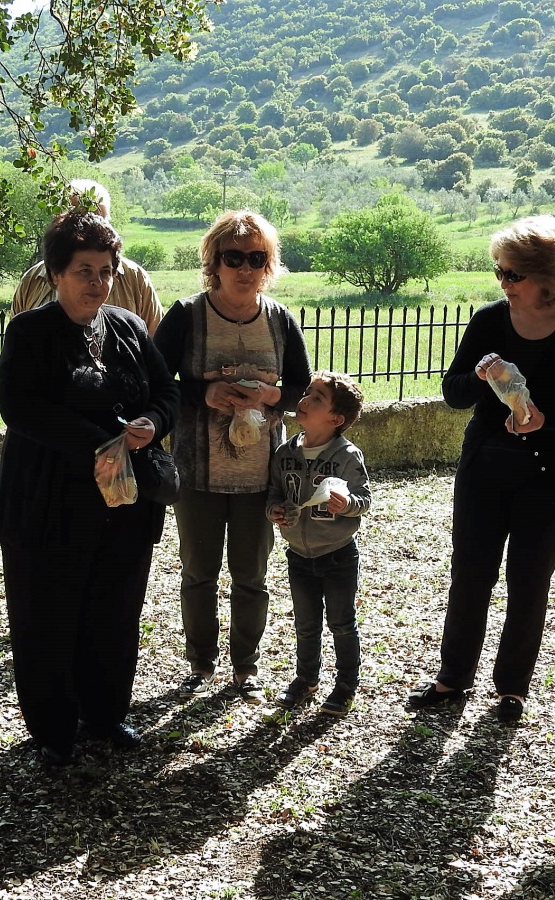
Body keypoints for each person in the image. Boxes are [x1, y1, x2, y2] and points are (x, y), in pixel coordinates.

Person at [408, 215, 555, 723]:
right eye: (498, 272)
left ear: (548, 275)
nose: (503, 283)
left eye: (513, 274)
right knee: (471, 574)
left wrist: (547, 417)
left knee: (529, 580)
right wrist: (483, 379)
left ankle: (512, 688)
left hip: (551, 472)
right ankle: (452, 679)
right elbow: (453, 392)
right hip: (486, 465)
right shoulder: (489, 321)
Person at [0, 210, 178, 765]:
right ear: (56, 274)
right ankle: (52, 731)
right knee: (47, 616)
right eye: (84, 271)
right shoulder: (30, 333)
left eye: (105, 271)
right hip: (48, 503)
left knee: (114, 611)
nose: (97, 283)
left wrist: (151, 425)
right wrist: (101, 443)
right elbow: (19, 407)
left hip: (123, 507)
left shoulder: (128, 327)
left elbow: (167, 393)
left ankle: (105, 714)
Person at [154, 209, 311, 705]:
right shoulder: (186, 316)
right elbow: (155, 385)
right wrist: (204, 393)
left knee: (251, 578)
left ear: (269, 264)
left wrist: (270, 396)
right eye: (233, 257)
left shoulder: (281, 321)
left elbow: (302, 391)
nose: (245, 268)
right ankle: (201, 662)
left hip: (261, 476)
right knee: (198, 574)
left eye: (256, 258)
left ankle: (246, 667)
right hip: (196, 473)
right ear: (214, 262)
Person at [267, 371, 371, 717]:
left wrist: (348, 504)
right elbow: (274, 494)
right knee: (305, 624)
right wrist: (274, 511)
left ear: (335, 419)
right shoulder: (285, 452)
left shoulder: (347, 456)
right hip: (298, 554)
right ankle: (306, 678)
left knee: (342, 623)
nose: (305, 400)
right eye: (307, 393)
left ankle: (346, 685)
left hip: (338, 554)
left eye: (317, 398)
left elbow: (364, 499)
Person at [11, 178, 163, 334]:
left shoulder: (135, 279)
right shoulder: (32, 280)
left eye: (99, 219)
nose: (91, 227)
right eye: (79, 220)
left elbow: (157, 340)